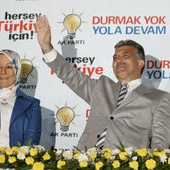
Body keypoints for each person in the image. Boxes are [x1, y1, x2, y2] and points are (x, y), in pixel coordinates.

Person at [36, 15, 170, 150]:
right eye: (115, 57)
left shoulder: (159, 99)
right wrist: (47, 47)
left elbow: (160, 147)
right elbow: (70, 75)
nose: (119, 60)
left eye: (126, 55)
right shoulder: (100, 87)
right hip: (86, 161)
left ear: (140, 63)